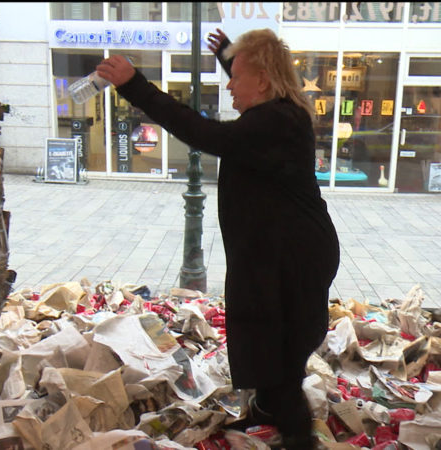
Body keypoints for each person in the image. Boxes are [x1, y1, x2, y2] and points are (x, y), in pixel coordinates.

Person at [97, 28, 340, 449]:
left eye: (236, 76)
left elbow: (205, 134)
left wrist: (134, 86)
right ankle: (264, 415)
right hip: (278, 251)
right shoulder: (279, 111)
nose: (229, 84)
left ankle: (299, 438)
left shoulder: (274, 121)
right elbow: (252, 87)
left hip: (290, 259)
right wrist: (232, 57)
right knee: (267, 344)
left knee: (276, 356)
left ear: (262, 80)